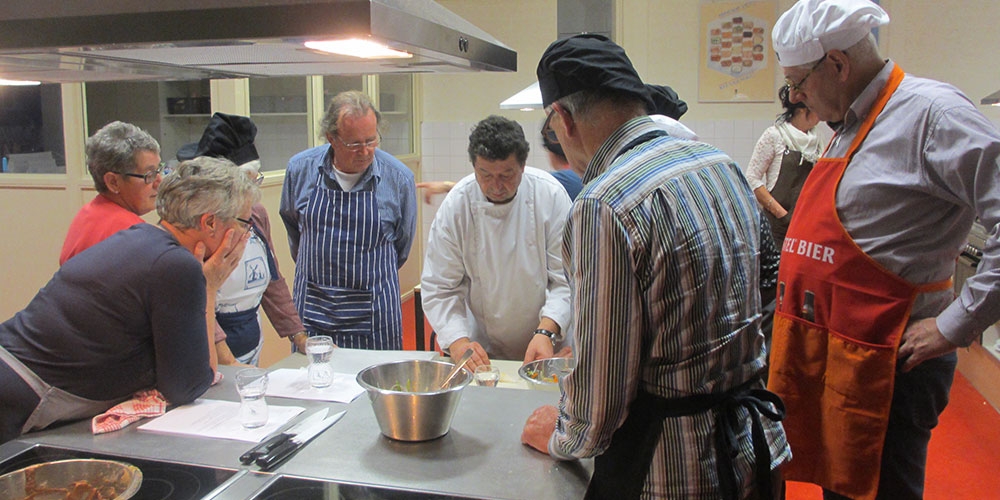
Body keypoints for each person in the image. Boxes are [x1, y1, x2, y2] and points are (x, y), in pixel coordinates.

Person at [520, 34, 789, 499]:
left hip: (677, 470)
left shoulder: (605, 203)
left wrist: (561, 436)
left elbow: (599, 399)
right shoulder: (719, 163)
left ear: (562, 119)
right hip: (755, 446)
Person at [767, 1, 1000, 499]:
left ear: (837, 64)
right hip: (839, 355)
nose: (796, 96)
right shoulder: (848, 123)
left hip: (889, 364)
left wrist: (955, 323)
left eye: (798, 82)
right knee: (843, 487)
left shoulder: (932, 115)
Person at [0, 157, 255, 444]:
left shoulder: (141, 238)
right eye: (245, 222)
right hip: (22, 394)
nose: (246, 234)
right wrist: (209, 287)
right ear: (209, 223)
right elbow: (189, 384)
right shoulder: (176, 266)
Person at [420, 115, 572, 370]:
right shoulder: (457, 206)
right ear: (474, 167)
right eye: (486, 174)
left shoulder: (550, 195)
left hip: (548, 343)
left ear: (522, 166)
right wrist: (458, 343)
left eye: (506, 174)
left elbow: (567, 279)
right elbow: (440, 287)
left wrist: (546, 331)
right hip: (483, 349)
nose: (496, 186)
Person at [280, 90, 417, 350]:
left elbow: (402, 246)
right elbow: (293, 229)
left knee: (378, 387)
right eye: (354, 144)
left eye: (371, 140)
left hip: (374, 315)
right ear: (331, 138)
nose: (365, 151)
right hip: (314, 311)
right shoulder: (300, 169)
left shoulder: (398, 179)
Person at [180, 113, 309, 364]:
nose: (255, 189)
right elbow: (197, 301)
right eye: (248, 181)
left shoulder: (257, 215)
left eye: (255, 179)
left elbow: (273, 282)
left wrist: (299, 334)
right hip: (210, 353)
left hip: (251, 344)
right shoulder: (197, 229)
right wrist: (228, 361)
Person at [60, 121, 165, 264]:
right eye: (149, 174)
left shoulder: (86, 215)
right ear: (113, 182)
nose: (159, 182)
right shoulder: (131, 233)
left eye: (159, 170)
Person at [744, 85, 822, 249]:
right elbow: (752, 178)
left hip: (805, 225)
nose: (820, 114)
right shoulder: (775, 135)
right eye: (815, 108)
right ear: (801, 110)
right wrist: (783, 215)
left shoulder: (816, 140)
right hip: (777, 226)